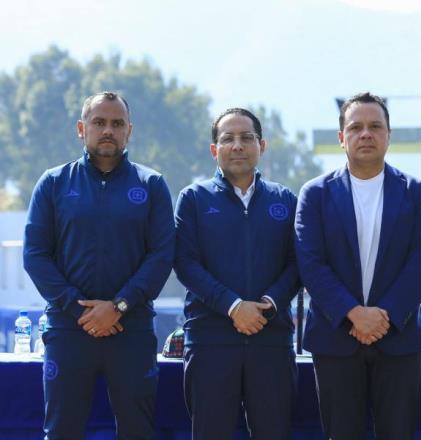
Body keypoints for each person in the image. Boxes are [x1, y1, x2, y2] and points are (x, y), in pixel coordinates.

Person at [23, 91, 175, 439]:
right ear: (81, 128)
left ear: (129, 131)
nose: (108, 130)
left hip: (131, 329)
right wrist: (79, 311)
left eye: (117, 123)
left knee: (138, 431)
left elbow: (162, 256)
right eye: (99, 122)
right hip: (68, 330)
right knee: (62, 431)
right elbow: (35, 255)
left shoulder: (151, 185)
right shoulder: (54, 183)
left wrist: (120, 306)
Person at [295, 92, 421, 439]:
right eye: (356, 127)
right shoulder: (315, 194)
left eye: (375, 126)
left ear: (389, 135)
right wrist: (353, 314)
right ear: (341, 138)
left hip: (398, 338)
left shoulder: (418, 193)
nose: (366, 134)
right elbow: (311, 264)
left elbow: (420, 265)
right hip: (336, 338)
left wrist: (383, 315)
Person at [173, 108, 300, 439]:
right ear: (214, 149)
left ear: (262, 146)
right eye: (227, 139)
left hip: (270, 338)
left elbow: (298, 263)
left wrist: (269, 305)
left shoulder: (286, 200)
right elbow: (185, 263)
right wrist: (232, 306)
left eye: (247, 138)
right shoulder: (193, 199)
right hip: (211, 340)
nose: (238, 145)